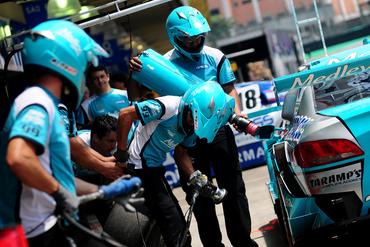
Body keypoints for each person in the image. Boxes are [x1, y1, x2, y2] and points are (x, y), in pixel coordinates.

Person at [128, 6, 258, 247]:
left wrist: (238, 114)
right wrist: (133, 73)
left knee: (233, 189)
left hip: (218, 130)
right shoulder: (162, 64)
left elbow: (229, 89)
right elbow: (136, 97)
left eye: (198, 37)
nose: (195, 42)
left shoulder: (216, 57)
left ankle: (242, 241)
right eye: (188, 39)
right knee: (198, 194)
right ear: (175, 38)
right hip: (186, 136)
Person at [0, 20, 108, 246]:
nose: (85, 75)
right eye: (85, 67)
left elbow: (54, 176)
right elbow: (18, 157)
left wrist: (104, 191)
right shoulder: (37, 102)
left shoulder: (43, 101)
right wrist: (59, 192)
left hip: (51, 225)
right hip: (39, 233)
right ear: (68, 60)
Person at [114, 82, 234, 247]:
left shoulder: (195, 128)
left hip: (154, 170)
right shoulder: (168, 106)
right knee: (178, 234)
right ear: (190, 104)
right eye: (193, 116)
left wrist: (195, 178)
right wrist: (121, 153)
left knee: (176, 233)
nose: (193, 123)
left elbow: (181, 153)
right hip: (138, 169)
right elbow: (125, 115)